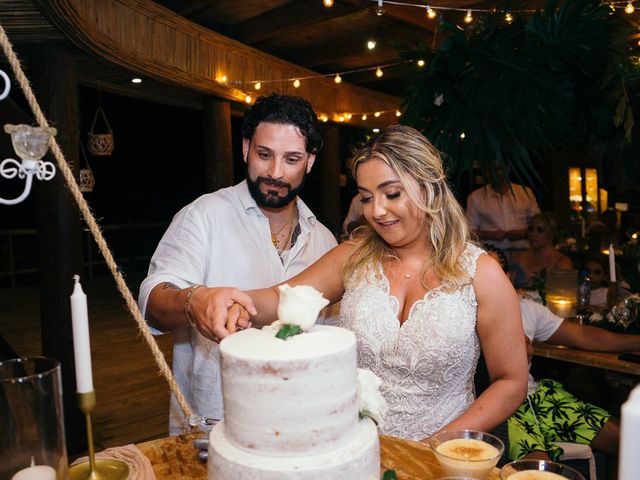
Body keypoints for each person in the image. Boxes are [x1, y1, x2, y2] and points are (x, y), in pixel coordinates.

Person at [208, 125, 529, 442]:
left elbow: (511, 382)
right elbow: (281, 300)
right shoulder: (353, 257)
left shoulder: (481, 274)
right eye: (365, 197)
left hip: (444, 455)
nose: (376, 211)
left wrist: (436, 446)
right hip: (357, 446)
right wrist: (232, 300)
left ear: (429, 186)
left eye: (392, 194)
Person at [138, 93, 338, 434]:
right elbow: (154, 299)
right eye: (264, 155)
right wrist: (192, 300)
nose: (275, 172)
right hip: (215, 425)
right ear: (245, 148)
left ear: (310, 161)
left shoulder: (325, 241)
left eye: (291, 159)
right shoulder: (203, 216)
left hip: (298, 427)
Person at [486, 246, 639, 463]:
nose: (485, 279)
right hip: (502, 409)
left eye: (493, 271)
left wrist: (637, 341)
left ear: (507, 276)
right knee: (538, 470)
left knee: (627, 440)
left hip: (540, 399)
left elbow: (583, 336)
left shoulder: (527, 308)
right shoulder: (462, 315)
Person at [466, 163, 540, 263]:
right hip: (492, 253)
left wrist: (523, 233)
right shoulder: (476, 197)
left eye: (498, 169)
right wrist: (490, 234)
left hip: (524, 250)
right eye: (489, 170)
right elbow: (469, 231)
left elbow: (538, 222)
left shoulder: (525, 192)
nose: (493, 173)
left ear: (507, 169)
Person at [511, 212, 573, 289]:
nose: (533, 234)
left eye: (540, 230)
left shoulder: (562, 262)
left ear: (552, 233)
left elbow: (565, 293)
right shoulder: (519, 256)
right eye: (530, 229)